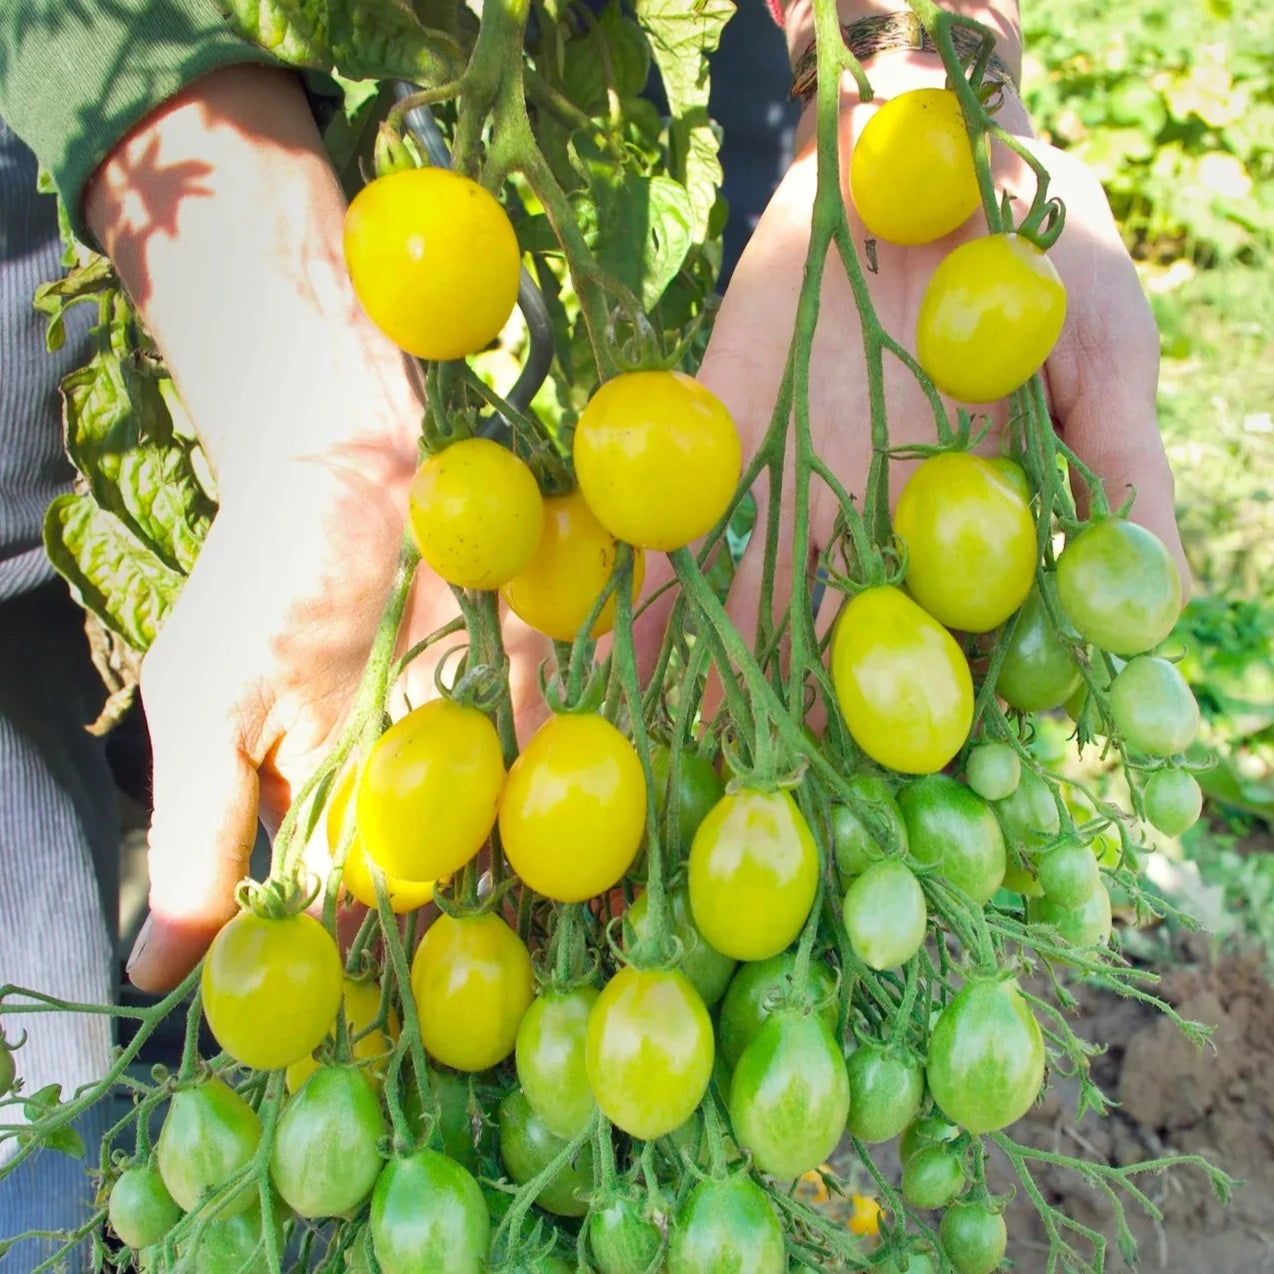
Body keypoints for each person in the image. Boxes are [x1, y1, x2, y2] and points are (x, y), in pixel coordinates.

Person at [0, 0, 1184, 1263]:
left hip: (688, 178)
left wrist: (916, 71)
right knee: (51, 1134)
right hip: (80, 171)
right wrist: (300, 394)